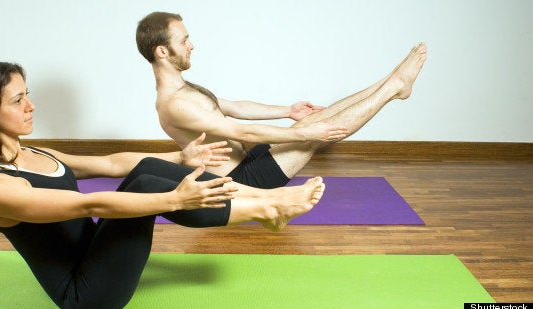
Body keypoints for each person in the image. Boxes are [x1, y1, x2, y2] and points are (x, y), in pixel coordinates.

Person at [0, 60, 325, 309]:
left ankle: (267, 202)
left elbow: (112, 163)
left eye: (27, 93)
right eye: (18, 100)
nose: (31, 106)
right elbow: (90, 206)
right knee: (147, 186)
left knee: (146, 170)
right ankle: (265, 208)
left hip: (96, 253)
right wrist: (174, 199)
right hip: (87, 293)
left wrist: (181, 157)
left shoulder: (33, 152)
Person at [136, 12, 427, 189]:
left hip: (248, 161)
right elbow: (240, 131)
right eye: (184, 40)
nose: (191, 44)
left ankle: (390, 82)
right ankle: (394, 88)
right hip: (240, 182)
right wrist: (301, 133)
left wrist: (288, 112)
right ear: (162, 52)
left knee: (311, 125)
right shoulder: (174, 103)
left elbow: (236, 108)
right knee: (312, 134)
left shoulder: (185, 89)